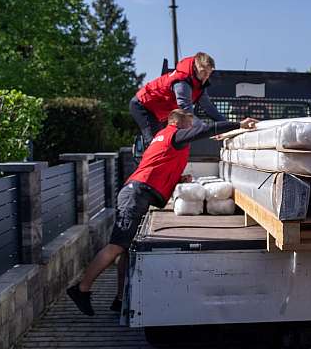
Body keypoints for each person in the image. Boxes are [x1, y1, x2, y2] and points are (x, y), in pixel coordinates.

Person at [66, 109, 252, 315]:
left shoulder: (161, 137)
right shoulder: (175, 134)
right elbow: (204, 131)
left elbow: (156, 165)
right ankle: (82, 289)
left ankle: (120, 299)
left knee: (125, 250)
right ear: (180, 124)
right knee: (116, 246)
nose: (192, 129)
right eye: (189, 124)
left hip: (134, 192)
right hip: (136, 195)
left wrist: (178, 179)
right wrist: (238, 124)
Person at [130, 52, 253, 146]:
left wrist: (227, 127)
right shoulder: (182, 82)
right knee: (155, 143)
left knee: (166, 143)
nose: (206, 77)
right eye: (203, 72)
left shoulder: (199, 85)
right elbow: (187, 113)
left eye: (209, 74)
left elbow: (210, 109)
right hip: (143, 105)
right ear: (195, 67)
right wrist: (209, 130)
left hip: (159, 112)